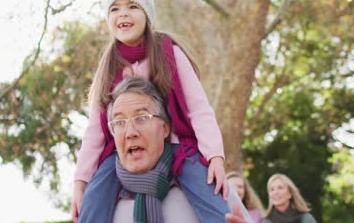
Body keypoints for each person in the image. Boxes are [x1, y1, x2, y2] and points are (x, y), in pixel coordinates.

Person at [71, 0, 229, 222]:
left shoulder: (169, 53)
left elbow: (199, 109)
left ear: (147, 15)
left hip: (176, 144)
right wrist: (80, 181)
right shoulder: (109, 66)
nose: (123, 14)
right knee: (93, 200)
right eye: (115, 9)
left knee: (210, 192)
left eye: (132, 6)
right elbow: (94, 130)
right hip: (122, 150)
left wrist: (215, 157)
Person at [98, 77, 245, 222]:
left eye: (141, 118)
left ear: (165, 129)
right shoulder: (99, 205)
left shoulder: (214, 189)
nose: (130, 132)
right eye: (120, 122)